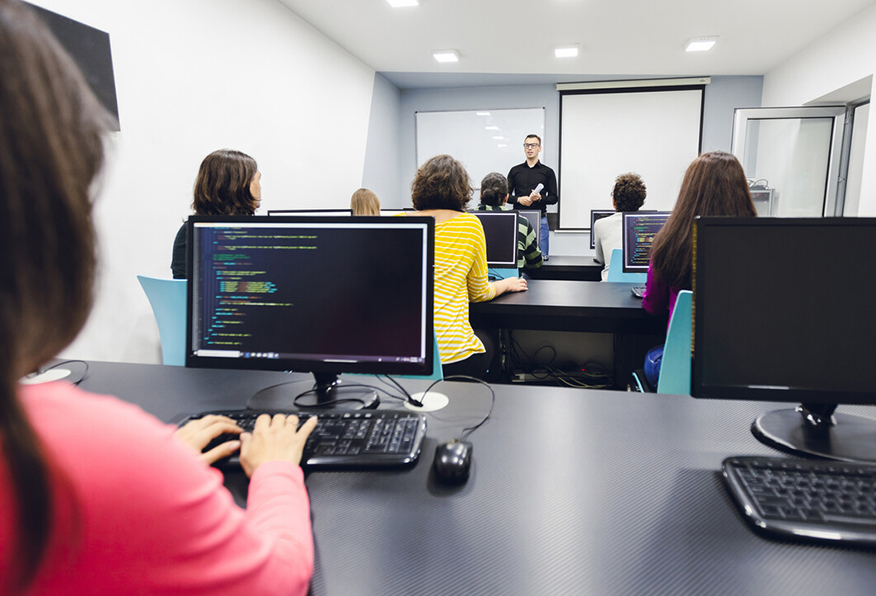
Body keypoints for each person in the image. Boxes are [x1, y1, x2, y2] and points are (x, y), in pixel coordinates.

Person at [0, 2, 316, 594]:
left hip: (191, 370)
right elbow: (279, 577)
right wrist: (274, 473)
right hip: (259, 376)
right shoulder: (89, 463)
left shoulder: (184, 232)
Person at [642, 151, 757, 386]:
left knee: (653, 358)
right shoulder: (761, 244)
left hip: (687, 370)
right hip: (745, 370)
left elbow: (652, 306)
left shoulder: (669, 243)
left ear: (688, 191)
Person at [410, 155, 527, 378]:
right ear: (461, 189)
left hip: (405, 354)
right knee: (488, 338)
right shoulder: (470, 224)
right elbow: (479, 293)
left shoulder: (400, 222)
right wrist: (507, 284)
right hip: (453, 358)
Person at [171, 149, 262, 278]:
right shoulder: (191, 234)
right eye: (257, 179)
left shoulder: (189, 233)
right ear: (240, 186)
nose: (260, 187)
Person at [475, 172, 542, 270]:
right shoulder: (522, 223)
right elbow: (535, 262)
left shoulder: (465, 222)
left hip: (476, 284)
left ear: (481, 195)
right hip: (512, 283)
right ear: (506, 198)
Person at [506, 134, 558, 258]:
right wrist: (519, 199)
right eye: (527, 145)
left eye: (533, 145)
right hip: (518, 219)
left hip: (540, 220)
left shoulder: (547, 172)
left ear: (539, 148)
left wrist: (540, 198)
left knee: (542, 258)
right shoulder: (515, 171)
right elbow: (505, 196)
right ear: (524, 148)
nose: (530, 148)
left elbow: (554, 198)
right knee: (517, 257)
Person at [594, 173, 647, 280]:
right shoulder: (650, 225)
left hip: (610, 286)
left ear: (614, 201)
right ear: (640, 202)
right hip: (643, 285)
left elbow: (600, 259)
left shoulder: (600, 224)